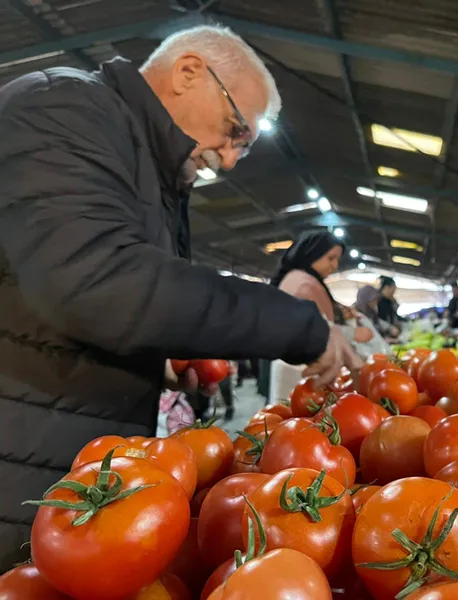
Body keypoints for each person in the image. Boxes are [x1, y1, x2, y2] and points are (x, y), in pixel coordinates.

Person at [0, 25, 357, 569]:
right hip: (20, 464)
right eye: (236, 131)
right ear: (189, 72)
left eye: (244, 146)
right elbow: (97, 282)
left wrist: (153, 360)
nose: (231, 159)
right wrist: (300, 325)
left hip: (65, 467)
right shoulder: (63, 107)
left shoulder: (150, 168)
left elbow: (85, 301)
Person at [271, 230, 363, 401]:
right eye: (331, 258)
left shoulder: (302, 279)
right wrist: (352, 334)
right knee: (296, 412)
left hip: (303, 368)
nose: (335, 265)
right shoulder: (303, 284)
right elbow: (314, 328)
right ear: (312, 253)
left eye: (337, 259)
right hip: (301, 370)